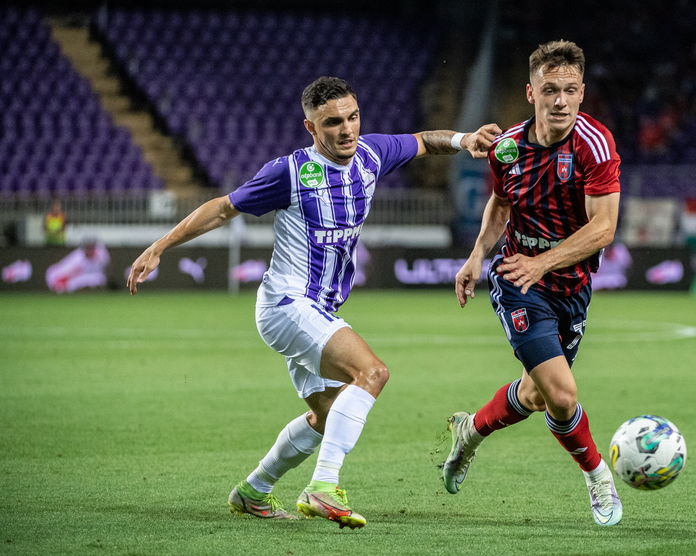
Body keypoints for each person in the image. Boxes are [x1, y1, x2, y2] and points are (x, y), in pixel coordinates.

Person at [127, 76, 500, 527]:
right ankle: (323, 486)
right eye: (333, 123)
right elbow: (223, 208)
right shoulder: (289, 173)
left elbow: (423, 141)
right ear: (311, 127)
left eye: (352, 117)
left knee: (327, 416)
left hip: (317, 310)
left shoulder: (372, 153)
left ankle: (254, 490)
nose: (347, 130)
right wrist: (160, 246)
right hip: (287, 305)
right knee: (372, 372)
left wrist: (465, 139)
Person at [445, 41, 624, 526]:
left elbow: (604, 228)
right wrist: (477, 256)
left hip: (568, 283)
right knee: (562, 396)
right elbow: (502, 204)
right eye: (550, 90)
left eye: (570, 90)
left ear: (582, 92)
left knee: (536, 396)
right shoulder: (507, 148)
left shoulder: (595, 146)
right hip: (518, 279)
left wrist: (544, 263)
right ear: (531, 93)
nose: (560, 101)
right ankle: (598, 477)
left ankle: (470, 432)